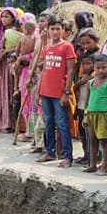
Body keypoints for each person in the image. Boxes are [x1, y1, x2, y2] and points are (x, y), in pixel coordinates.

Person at [36, 15, 77, 167]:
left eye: (58, 29)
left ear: (63, 30)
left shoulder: (67, 47)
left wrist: (66, 93)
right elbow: (44, 70)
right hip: (46, 91)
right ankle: (50, 152)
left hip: (59, 93)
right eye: (52, 29)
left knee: (62, 124)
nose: (55, 32)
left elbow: (71, 71)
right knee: (48, 123)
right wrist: (38, 91)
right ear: (48, 30)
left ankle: (68, 156)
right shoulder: (47, 48)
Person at [83, 53, 107, 174]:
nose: (100, 70)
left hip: (104, 116)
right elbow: (88, 100)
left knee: (105, 142)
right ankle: (93, 164)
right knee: (92, 140)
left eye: (103, 67)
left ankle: (105, 166)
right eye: (97, 67)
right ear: (93, 68)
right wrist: (86, 113)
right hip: (91, 115)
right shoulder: (91, 83)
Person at [0, 7, 22, 132]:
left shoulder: (16, 32)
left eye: (7, 16)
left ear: (13, 18)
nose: (3, 19)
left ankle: (7, 122)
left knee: (6, 91)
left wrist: (5, 51)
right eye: (2, 16)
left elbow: (18, 47)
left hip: (7, 65)